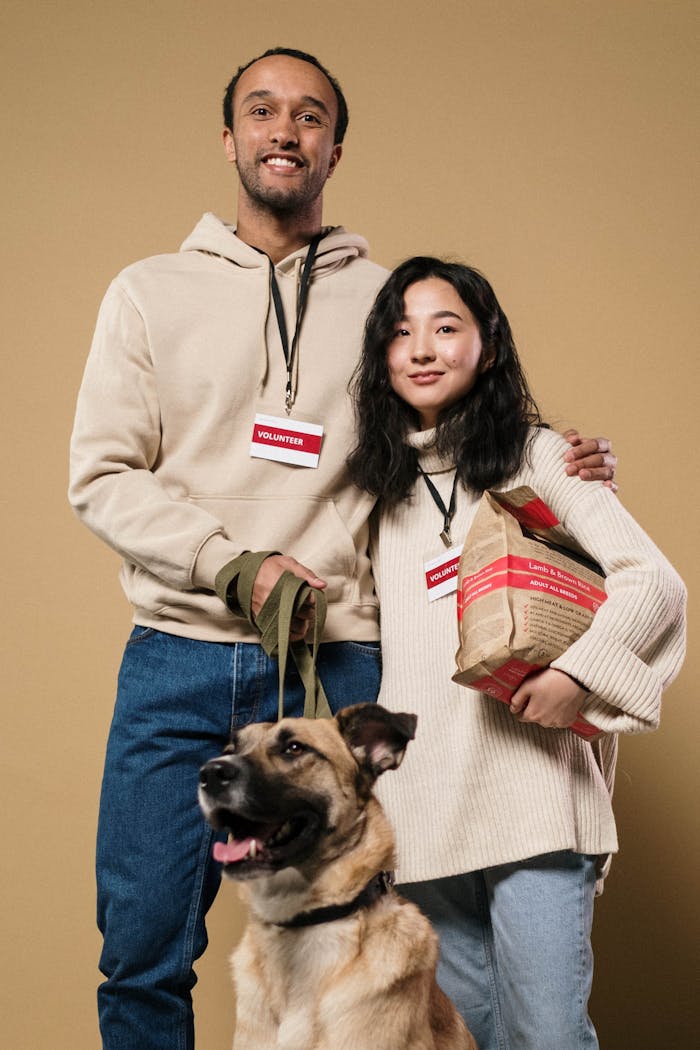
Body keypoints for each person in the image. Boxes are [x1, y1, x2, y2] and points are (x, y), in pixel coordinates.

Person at [69, 49, 615, 1050]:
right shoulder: (147, 293)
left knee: (382, 948)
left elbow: (452, 415)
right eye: (262, 112)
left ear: (335, 146)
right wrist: (232, 564)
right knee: (142, 952)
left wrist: (552, 462)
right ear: (228, 138)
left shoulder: (380, 303)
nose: (284, 130)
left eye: (309, 116)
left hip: (340, 668)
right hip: (176, 653)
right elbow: (101, 475)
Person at [347, 256, 686, 1050]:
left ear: (489, 347)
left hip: (532, 798)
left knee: (549, 1037)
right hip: (423, 816)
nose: (422, 349)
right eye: (400, 333)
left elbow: (654, 584)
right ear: (380, 356)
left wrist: (577, 675)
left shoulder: (539, 457)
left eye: (446, 327)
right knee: (463, 1041)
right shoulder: (370, 489)